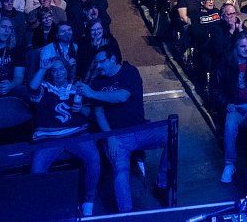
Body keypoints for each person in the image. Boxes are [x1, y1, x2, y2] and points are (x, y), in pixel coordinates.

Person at [76, 45, 168, 213]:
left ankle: (161, 184)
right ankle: (126, 214)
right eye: (96, 63)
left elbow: (122, 96)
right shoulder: (97, 82)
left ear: (112, 59)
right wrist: (110, 137)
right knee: (120, 171)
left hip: (141, 129)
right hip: (117, 136)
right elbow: (98, 112)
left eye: (101, 62)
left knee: (172, 134)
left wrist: (92, 94)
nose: (98, 66)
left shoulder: (129, 72)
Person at [29, 56, 99, 217]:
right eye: (54, 70)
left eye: (61, 69)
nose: (58, 73)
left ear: (67, 70)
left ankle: (88, 203)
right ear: (50, 73)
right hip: (49, 137)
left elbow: (90, 113)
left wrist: (81, 109)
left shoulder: (77, 87)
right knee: (36, 170)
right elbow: (32, 89)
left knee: (94, 158)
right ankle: (41, 211)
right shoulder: (44, 87)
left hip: (76, 133)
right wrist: (43, 68)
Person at [215, 33, 247, 183]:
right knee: (229, 127)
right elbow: (215, 90)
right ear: (236, 48)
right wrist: (226, 104)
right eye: (243, 46)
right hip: (235, 107)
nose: (246, 49)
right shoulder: (225, 66)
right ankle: (229, 164)